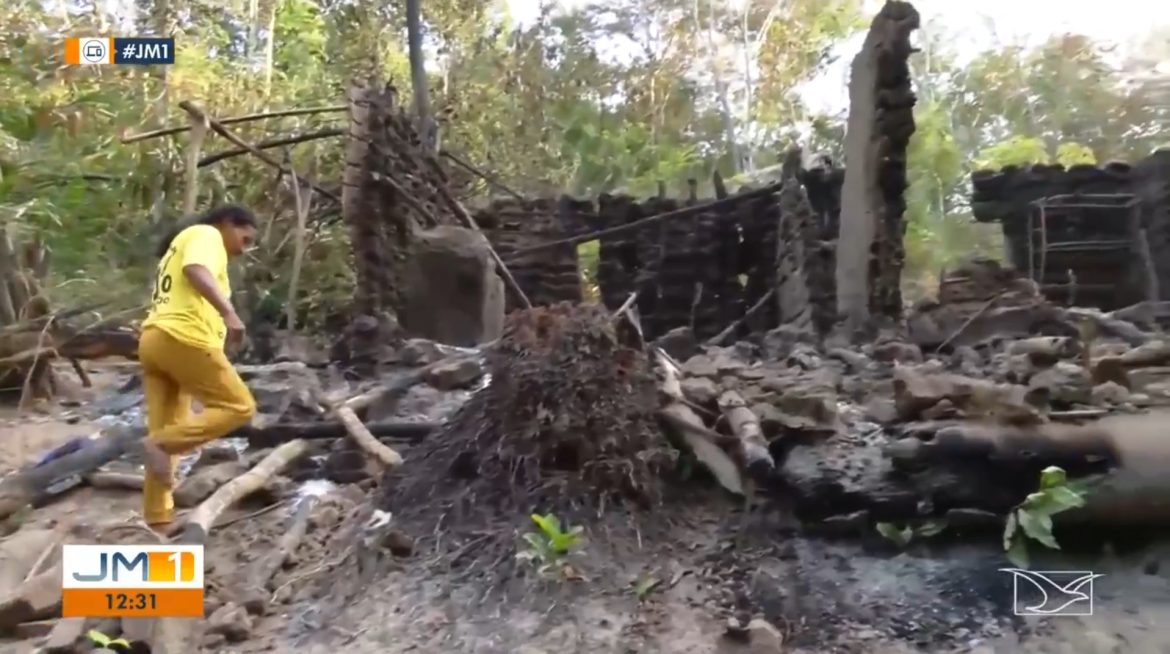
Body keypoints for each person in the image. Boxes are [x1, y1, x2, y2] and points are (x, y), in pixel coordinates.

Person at [137, 205, 259, 533]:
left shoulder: (179, 245)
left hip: (155, 340)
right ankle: (159, 446)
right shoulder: (206, 235)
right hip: (183, 337)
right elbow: (195, 269)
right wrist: (230, 313)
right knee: (239, 406)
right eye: (244, 239)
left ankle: (158, 519)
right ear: (226, 224)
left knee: (168, 428)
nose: (243, 249)